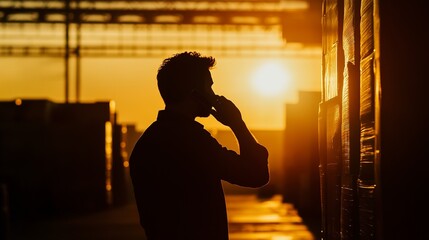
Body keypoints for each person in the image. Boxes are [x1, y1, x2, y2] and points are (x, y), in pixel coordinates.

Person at [129, 51, 269, 240]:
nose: (214, 95)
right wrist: (237, 124)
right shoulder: (191, 141)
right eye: (209, 88)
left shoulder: (146, 143)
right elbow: (255, 174)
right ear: (195, 93)